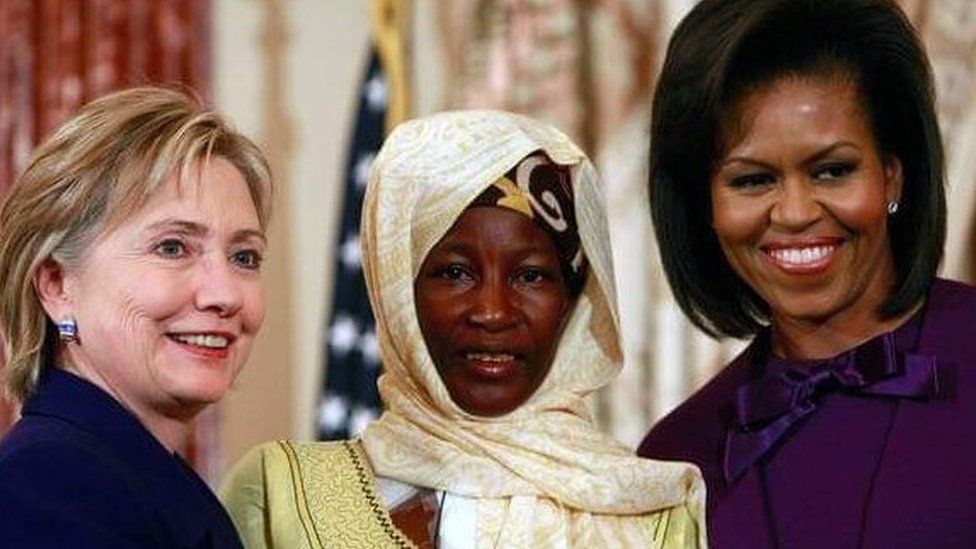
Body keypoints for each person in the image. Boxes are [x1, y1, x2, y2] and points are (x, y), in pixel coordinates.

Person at [220, 110, 705, 547]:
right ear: (397, 293)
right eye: (454, 273)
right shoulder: (278, 497)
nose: (493, 311)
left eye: (531, 276)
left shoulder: (652, 515)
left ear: (573, 300)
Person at [637, 0, 976, 547]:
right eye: (752, 181)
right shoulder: (679, 459)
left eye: (833, 170)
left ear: (892, 176)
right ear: (705, 205)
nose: (795, 213)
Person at [0, 87, 272, 548]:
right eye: (172, 248)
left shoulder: (140, 476)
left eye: (244, 257)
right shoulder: (50, 483)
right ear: (57, 285)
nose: (224, 294)